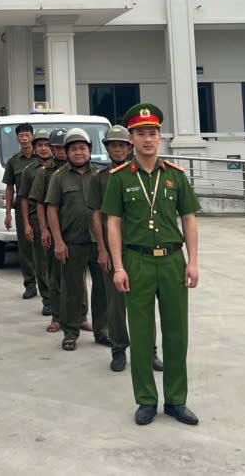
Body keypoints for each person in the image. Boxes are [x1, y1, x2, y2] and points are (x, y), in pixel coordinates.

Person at [102, 103, 200, 427]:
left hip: (173, 261)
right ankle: (146, 399)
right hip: (137, 261)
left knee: (176, 333)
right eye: (141, 133)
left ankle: (176, 400)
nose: (148, 138)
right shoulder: (119, 179)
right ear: (131, 138)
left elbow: (188, 218)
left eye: (153, 133)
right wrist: (118, 266)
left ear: (160, 137)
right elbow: (113, 223)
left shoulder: (176, 176)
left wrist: (194, 262)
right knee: (141, 335)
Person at [90, 124, 140, 372]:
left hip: (140, 247)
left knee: (142, 305)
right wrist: (101, 249)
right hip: (113, 249)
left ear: (130, 147)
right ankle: (119, 349)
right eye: (113, 145)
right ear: (107, 149)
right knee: (116, 306)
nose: (117, 149)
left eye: (121, 145)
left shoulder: (140, 173)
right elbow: (97, 215)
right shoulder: (100, 178)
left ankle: (147, 351)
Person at [45, 127, 97, 351]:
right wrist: (58, 240)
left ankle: (103, 330)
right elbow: (52, 209)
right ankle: (70, 332)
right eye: (73, 149)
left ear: (90, 150)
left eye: (82, 148)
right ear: (67, 152)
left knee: (103, 290)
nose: (78, 153)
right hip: (72, 242)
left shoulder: (101, 176)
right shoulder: (59, 177)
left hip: (99, 244)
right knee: (71, 290)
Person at [31, 128, 72, 333]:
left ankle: (79, 316)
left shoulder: (83, 169)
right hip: (54, 230)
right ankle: (57, 317)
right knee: (55, 276)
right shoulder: (44, 172)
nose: (61, 151)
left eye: (63, 147)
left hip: (76, 231)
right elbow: (40, 203)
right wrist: (44, 229)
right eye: (56, 147)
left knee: (76, 279)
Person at [2, 122, 39, 300]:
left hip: (43, 209)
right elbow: (10, 188)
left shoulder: (42, 157)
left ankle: (47, 284)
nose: (24, 138)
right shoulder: (13, 161)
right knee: (25, 249)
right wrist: (8, 213)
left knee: (45, 249)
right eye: (21, 136)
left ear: (33, 136)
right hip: (22, 210)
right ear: (17, 139)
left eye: (27, 135)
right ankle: (30, 285)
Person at [20, 128, 55, 315]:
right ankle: (47, 299)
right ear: (34, 148)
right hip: (36, 220)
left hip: (58, 221)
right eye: (40, 145)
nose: (43, 148)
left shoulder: (60, 166)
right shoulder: (29, 171)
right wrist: (26, 224)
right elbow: (24, 198)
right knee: (41, 264)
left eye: (47, 145)